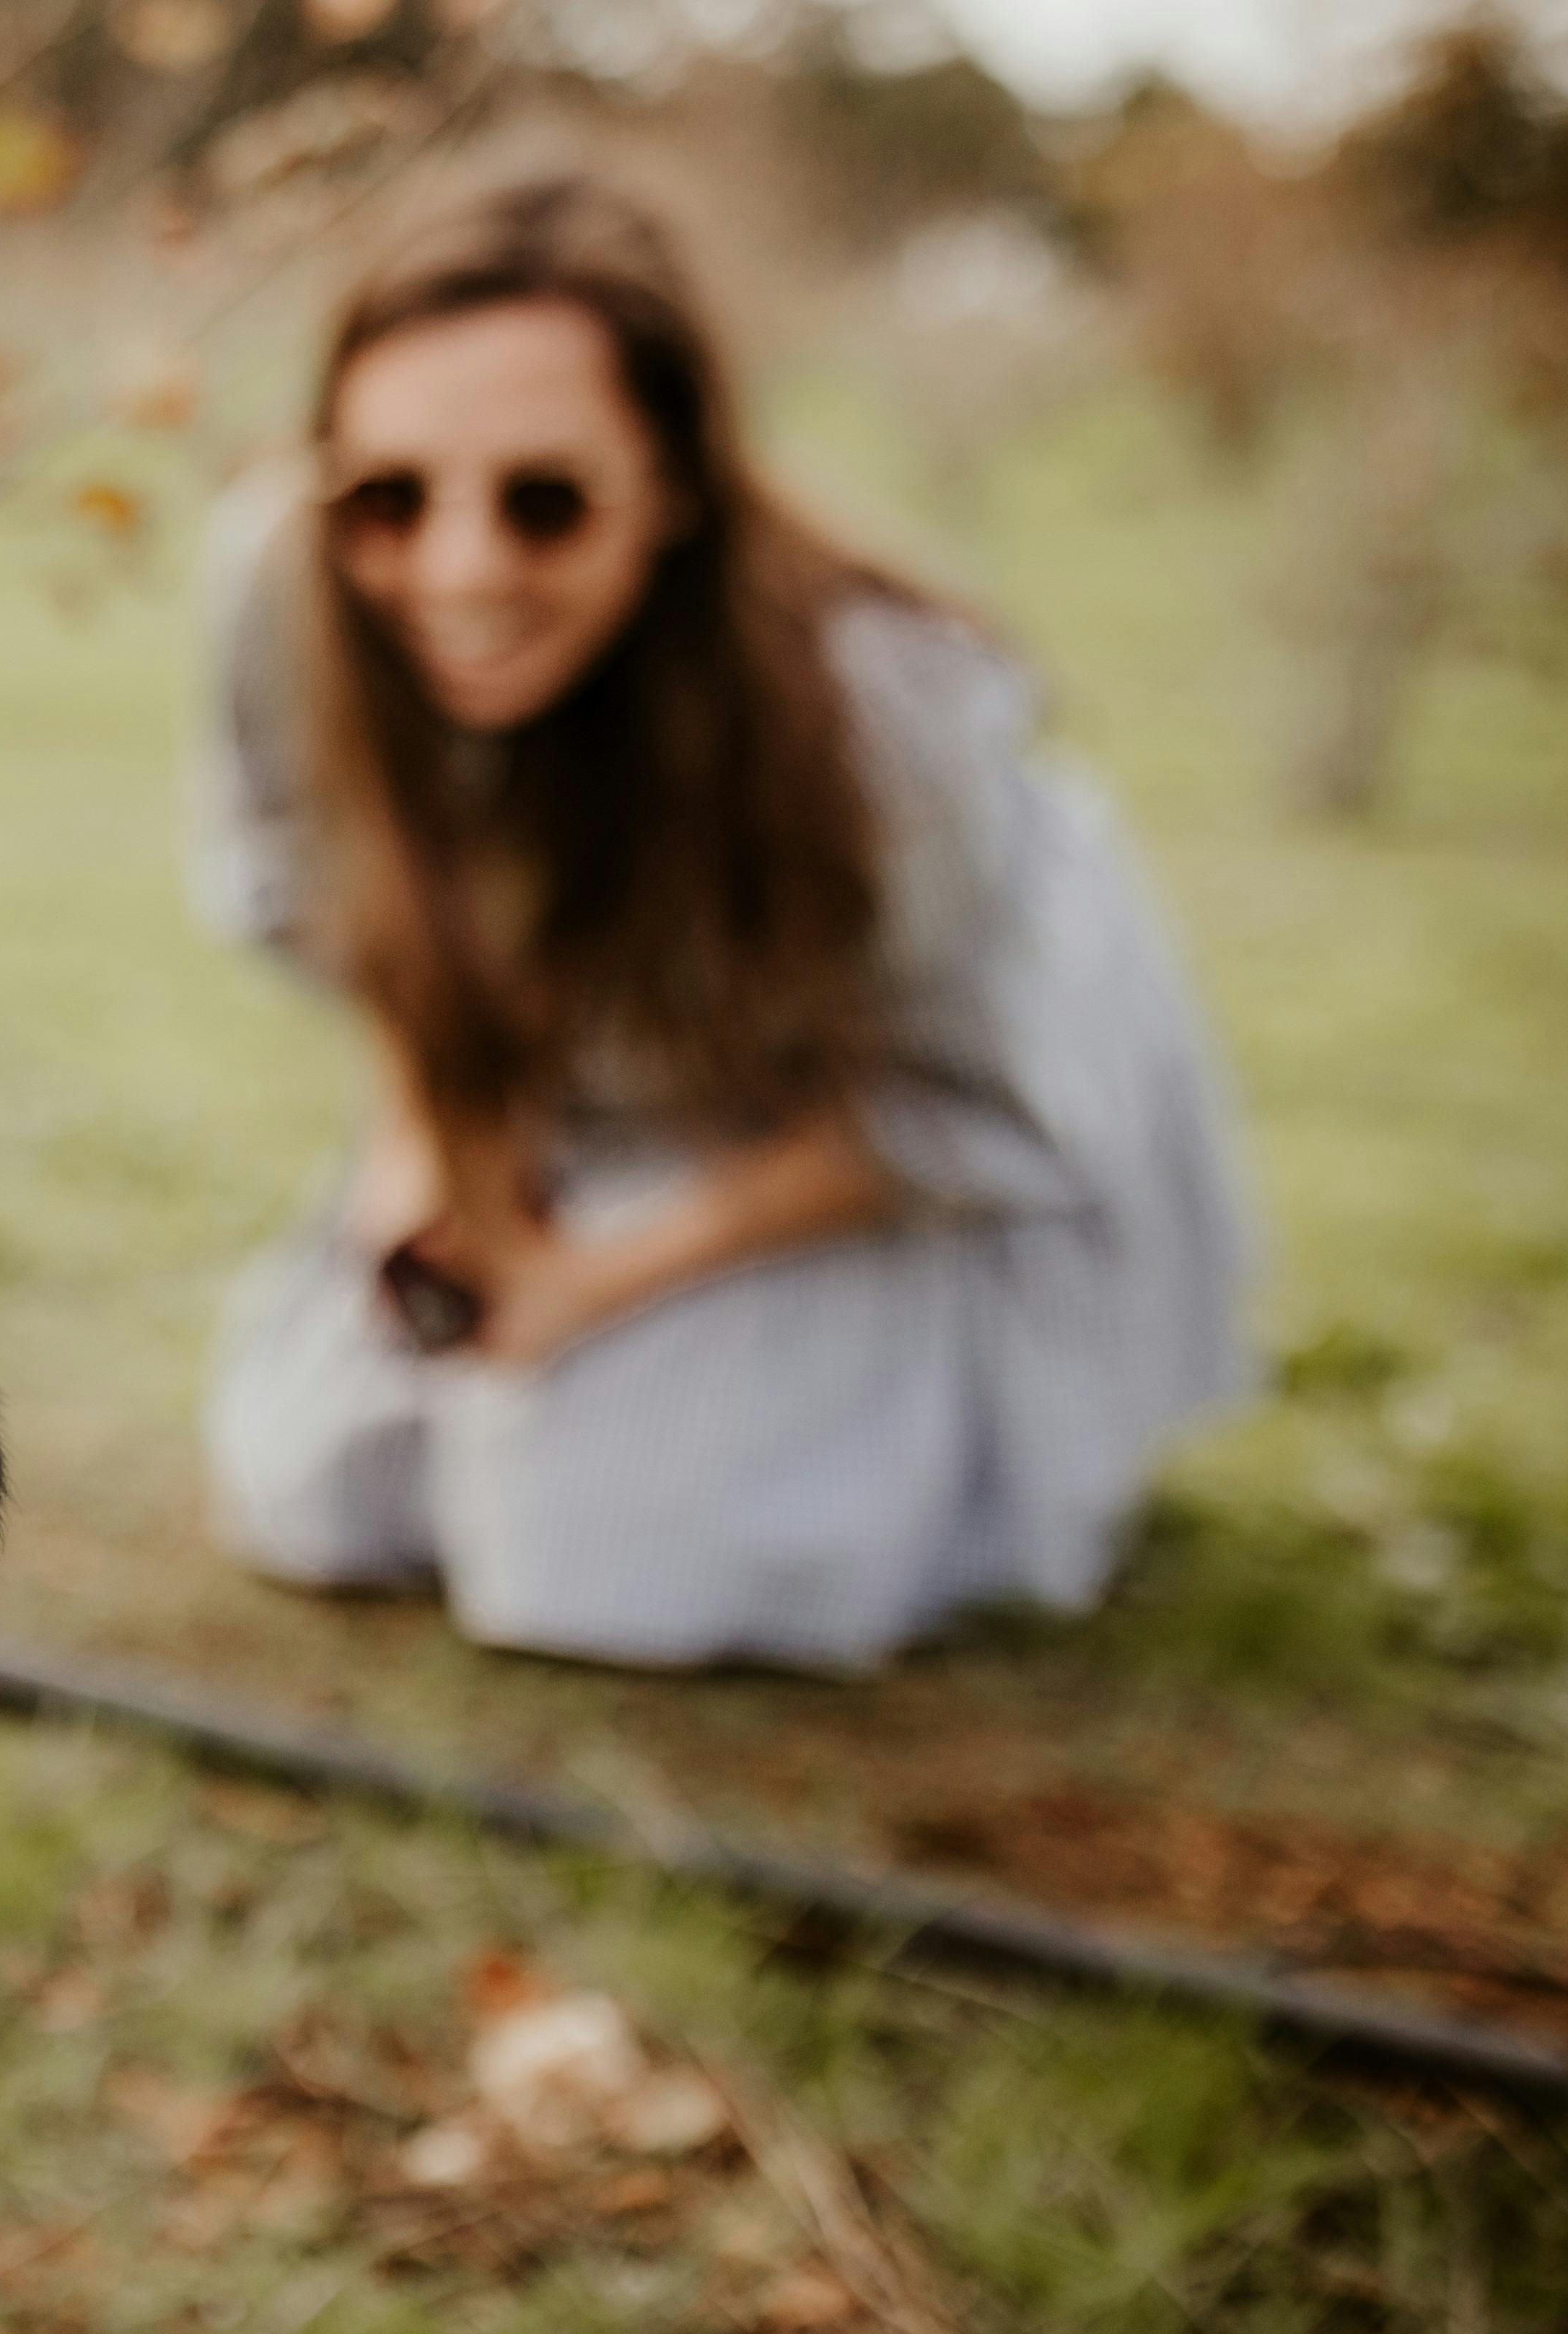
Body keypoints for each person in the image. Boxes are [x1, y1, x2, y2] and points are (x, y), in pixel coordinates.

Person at [191, 173, 1250, 1670]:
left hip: (875, 1139)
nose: (457, 568)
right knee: (311, 1497)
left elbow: (963, 1110)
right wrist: (423, 1155)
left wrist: (591, 1282)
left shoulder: (885, 711)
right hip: (582, 1098)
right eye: (387, 496)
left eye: (542, 500)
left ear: (674, 485)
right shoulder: (278, 578)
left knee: (599, 1575)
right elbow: (344, 912)